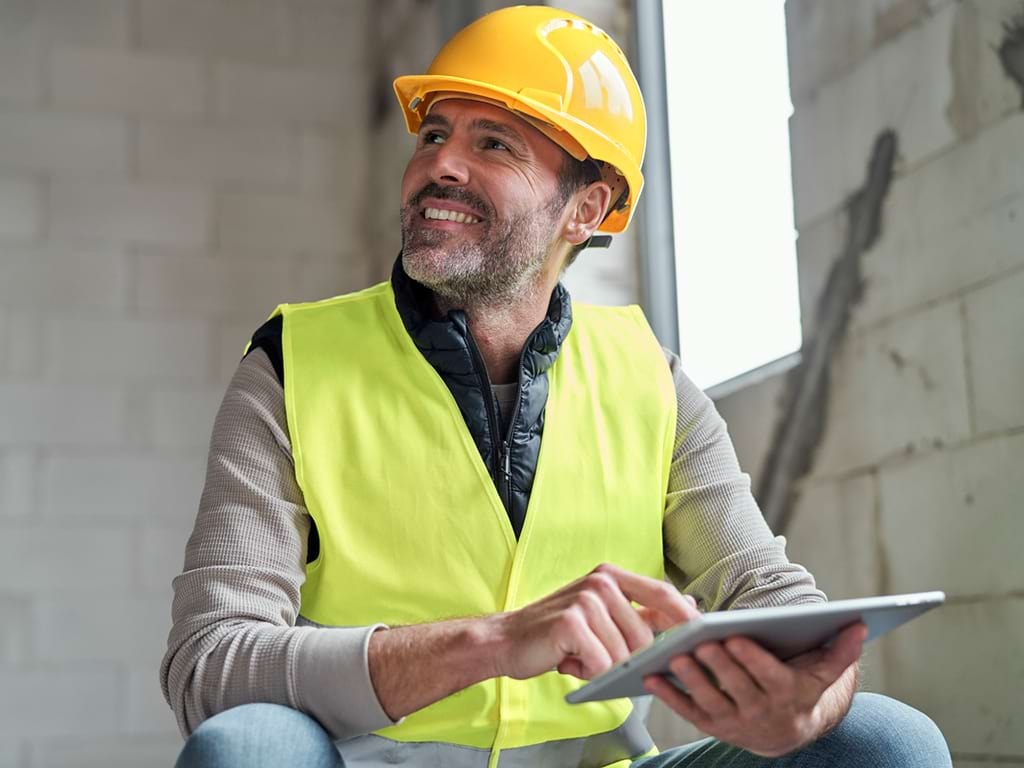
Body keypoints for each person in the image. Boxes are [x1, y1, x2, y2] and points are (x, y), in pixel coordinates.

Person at [161, 6, 952, 767]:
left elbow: (772, 595)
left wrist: (815, 698)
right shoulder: (292, 364)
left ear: (587, 207)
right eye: (433, 133)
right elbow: (212, 666)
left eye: (495, 143)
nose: (439, 162)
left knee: (885, 742)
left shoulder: (653, 381)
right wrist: (495, 642)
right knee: (250, 748)